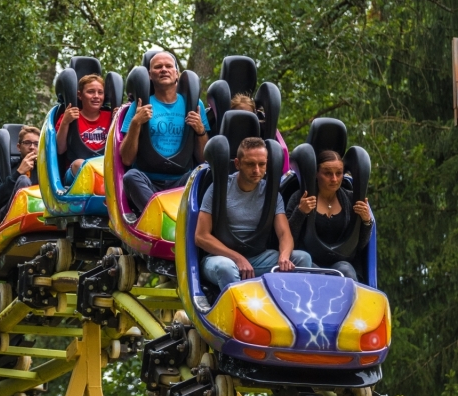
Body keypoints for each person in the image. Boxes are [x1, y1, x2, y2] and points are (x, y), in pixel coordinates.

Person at [195, 136, 312, 288]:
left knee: (302, 258)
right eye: (250, 164)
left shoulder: (271, 194)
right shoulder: (218, 189)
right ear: (237, 164)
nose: (257, 170)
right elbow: (201, 236)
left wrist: (284, 255)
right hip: (222, 258)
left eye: (261, 164)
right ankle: (237, 310)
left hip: (257, 258)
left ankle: (290, 308)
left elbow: (284, 234)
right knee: (226, 268)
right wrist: (237, 258)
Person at [120, 51, 210, 213]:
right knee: (130, 177)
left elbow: (203, 157)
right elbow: (127, 159)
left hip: (181, 181)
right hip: (147, 181)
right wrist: (135, 123)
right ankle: (160, 215)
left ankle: (165, 214)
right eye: (158, 67)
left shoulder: (194, 105)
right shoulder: (139, 105)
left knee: (207, 172)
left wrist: (200, 131)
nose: (164, 70)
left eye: (168, 66)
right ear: (149, 75)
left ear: (177, 74)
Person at [286, 149, 373, 280]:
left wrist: (366, 222)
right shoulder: (299, 197)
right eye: (327, 173)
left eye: (339, 173)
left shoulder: (350, 199)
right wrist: (300, 212)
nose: (334, 179)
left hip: (341, 262)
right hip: (308, 261)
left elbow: (359, 246)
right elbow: (286, 239)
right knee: (311, 273)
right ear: (316, 173)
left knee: (346, 270)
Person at [55, 74, 112, 183]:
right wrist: (65, 122)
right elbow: (60, 149)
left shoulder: (109, 116)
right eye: (90, 92)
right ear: (80, 95)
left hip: (104, 169)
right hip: (76, 172)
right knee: (80, 164)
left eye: (100, 92)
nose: (96, 96)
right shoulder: (69, 116)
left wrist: (117, 119)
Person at [0, 125, 40, 221]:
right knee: (23, 179)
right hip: (9, 218)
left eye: (36, 144)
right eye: (27, 143)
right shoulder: (4, 166)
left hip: (39, 213)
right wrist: (18, 173)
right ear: (19, 147)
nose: (32, 147)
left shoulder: (44, 170)